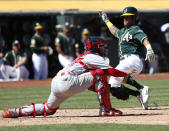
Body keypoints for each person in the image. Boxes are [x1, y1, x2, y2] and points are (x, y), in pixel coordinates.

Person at [2, 37, 136, 118]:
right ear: (95, 47)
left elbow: (89, 82)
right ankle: (106, 109)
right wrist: (125, 73)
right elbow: (110, 71)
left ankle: (14, 112)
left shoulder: (83, 57)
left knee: (48, 109)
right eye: (101, 46)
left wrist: (109, 89)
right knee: (100, 73)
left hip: (57, 81)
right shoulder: (94, 57)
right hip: (68, 82)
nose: (103, 48)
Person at [99, 6, 155, 109]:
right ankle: (138, 94)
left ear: (134, 18)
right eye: (124, 17)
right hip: (126, 62)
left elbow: (144, 38)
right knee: (113, 87)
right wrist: (106, 20)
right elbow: (114, 30)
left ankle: (142, 88)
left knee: (115, 74)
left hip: (132, 59)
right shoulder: (123, 31)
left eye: (127, 17)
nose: (124, 19)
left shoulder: (135, 29)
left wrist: (149, 49)